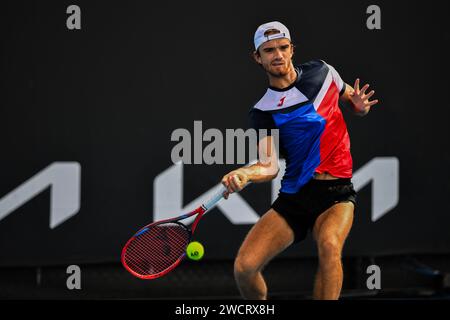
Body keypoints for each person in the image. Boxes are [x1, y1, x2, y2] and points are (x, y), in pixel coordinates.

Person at [221, 21, 378, 300]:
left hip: (336, 193)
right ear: (257, 57)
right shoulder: (262, 111)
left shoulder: (323, 71)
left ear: (292, 49)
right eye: (269, 50)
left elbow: (350, 99)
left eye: (283, 47)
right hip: (295, 196)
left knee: (330, 245)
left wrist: (359, 108)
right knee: (244, 268)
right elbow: (268, 166)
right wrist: (245, 173)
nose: (277, 55)